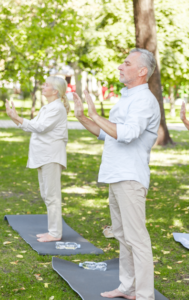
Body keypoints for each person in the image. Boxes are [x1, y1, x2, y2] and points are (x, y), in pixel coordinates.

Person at [73, 49, 160, 300]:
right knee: (122, 236)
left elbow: (127, 133)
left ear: (142, 71)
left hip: (130, 177)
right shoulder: (127, 98)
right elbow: (106, 133)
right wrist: (82, 116)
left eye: (127, 63)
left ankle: (144, 295)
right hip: (116, 175)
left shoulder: (144, 100)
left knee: (137, 239)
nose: (121, 67)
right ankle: (128, 287)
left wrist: (96, 115)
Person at [6, 76, 70, 242]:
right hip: (43, 156)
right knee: (46, 194)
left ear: (55, 91)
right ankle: (53, 231)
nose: (43, 86)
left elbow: (39, 128)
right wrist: (14, 116)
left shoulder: (57, 109)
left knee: (52, 196)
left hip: (51, 156)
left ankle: (55, 233)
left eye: (46, 85)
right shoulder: (48, 107)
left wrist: (18, 118)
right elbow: (31, 126)